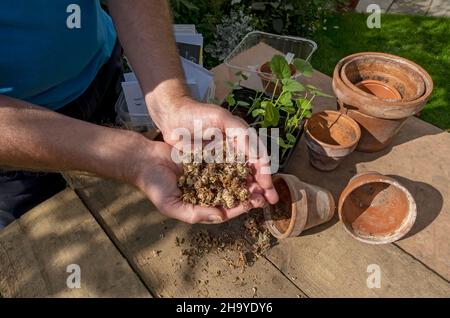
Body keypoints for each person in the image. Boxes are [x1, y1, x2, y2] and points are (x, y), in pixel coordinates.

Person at [0, 0, 278, 229]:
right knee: (50, 240)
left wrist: (172, 102)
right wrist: (131, 158)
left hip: (101, 71)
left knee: (116, 216)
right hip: (17, 143)